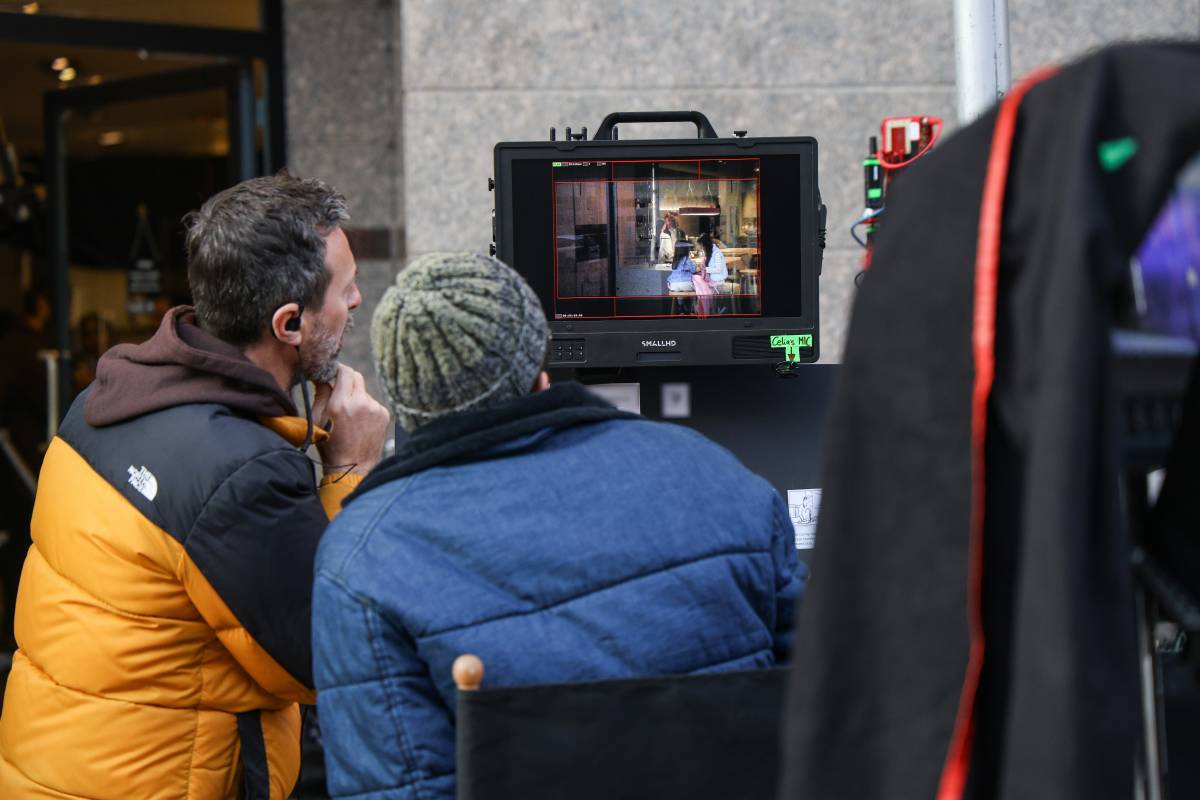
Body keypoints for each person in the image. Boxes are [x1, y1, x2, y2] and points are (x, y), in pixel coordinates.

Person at [312, 252, 806, 800]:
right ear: (540, 373)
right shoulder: (716, 473)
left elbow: (394, 786)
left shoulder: (361, 559)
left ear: (403, 402)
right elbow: (821, 704)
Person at [0, 173, 392, 799]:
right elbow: (330, 655)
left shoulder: (107, 399)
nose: (357, 300)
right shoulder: (237, 471)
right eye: (345, 290)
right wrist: (352, 470)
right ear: (289, 323)